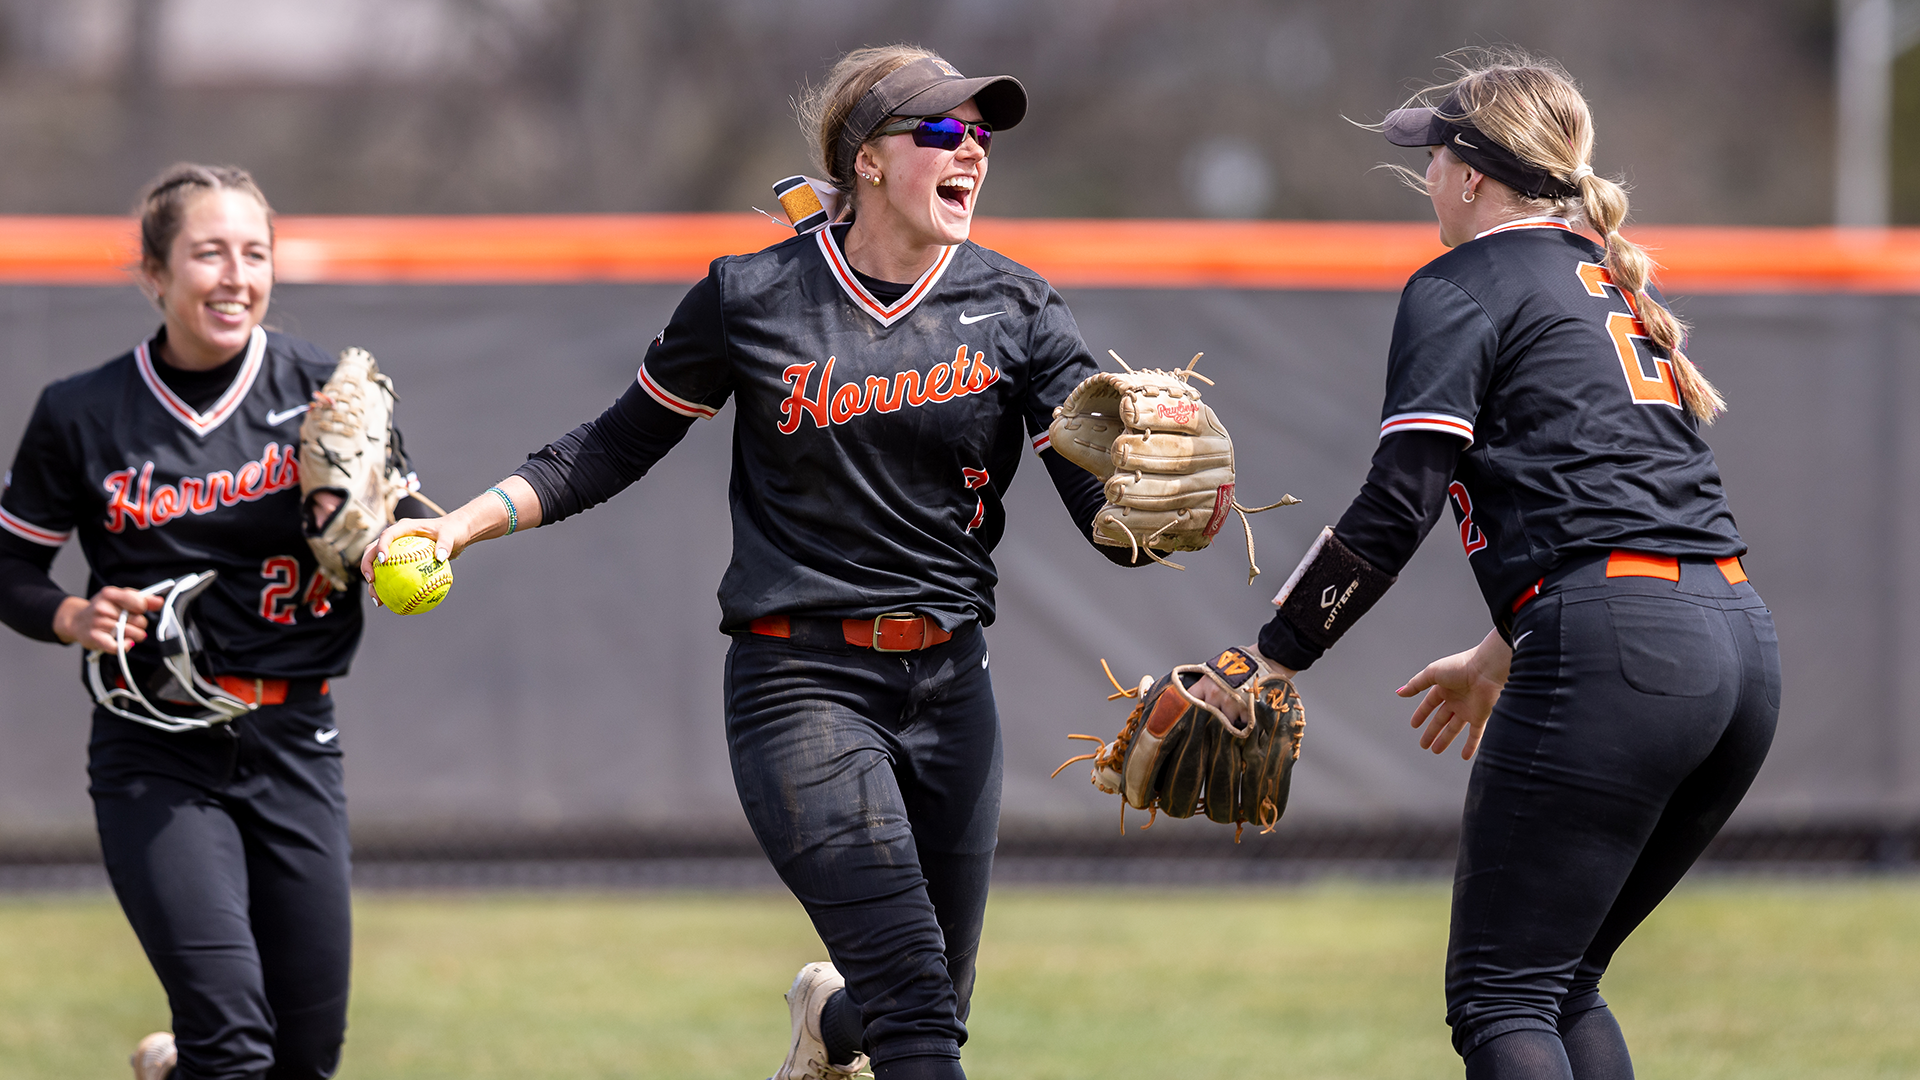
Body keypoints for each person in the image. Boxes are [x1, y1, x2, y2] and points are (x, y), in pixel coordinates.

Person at [362, 45, 1145, 1080]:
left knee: (927, 999)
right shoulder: (756, 295)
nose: (974, 154)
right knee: (920, 1015)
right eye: (944, 132)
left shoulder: (1021, 308)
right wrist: (459, 525)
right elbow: (610, 444)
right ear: (868, 160)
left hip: (954, 685)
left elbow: (1109, 519)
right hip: (801, 684)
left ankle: (826, 1030)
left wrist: (1176, 505)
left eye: (982, 135)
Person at [1197, 54, 1779, 1079]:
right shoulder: (1608, 281)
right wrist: (1496, 652)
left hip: (1620, 652)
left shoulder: (1462, 281)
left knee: (1503, 997)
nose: (1425, 178)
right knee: (1560, 982)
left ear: (1471, 174)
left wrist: (1273, 657)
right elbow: (1624, 510)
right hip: (1737, 648)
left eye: (1432, 156)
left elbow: (1399, 501)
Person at [0, 163, 431, 1080]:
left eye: (255, 252)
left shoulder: (331, 393)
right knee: (233, 1047)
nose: (236, 275)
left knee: (302, 1062)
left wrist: (400, 539)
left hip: (295, 739)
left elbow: (404, 537)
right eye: (208, 253)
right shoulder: (81, 413)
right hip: (153, 747)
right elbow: (8, 565)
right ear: (154, 274)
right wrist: (71, 612)